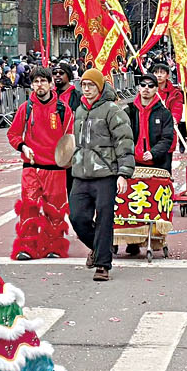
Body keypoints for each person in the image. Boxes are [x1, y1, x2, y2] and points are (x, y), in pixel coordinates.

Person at [67, 69, 134, 282]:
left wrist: (124, 173)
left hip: (106, 174)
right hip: (80, 174)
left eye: (91, 85)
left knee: (105, 219)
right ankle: (98, 247)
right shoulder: (78, 110)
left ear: (100, 87)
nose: (86, 89)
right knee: (77, 217)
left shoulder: (113, 110)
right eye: (84, 85)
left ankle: (103, 265)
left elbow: (124, 142)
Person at [6, 67, 73, 259]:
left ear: (51, 84)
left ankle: (54, 247)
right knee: (29, 207)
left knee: (55, 210)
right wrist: (23, 147)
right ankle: (27, 247)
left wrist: (67, 158)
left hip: (56, 168)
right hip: (31, 167)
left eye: (43, 81)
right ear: (32, 85)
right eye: (36, 82)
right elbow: (13, 134)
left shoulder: (63, 109)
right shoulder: (26, 108)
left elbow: (70, 137)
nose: (40, 85)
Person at [116, 63, 179, 258]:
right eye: (142, 85)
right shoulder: (128, 111)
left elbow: (167, 138)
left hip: (156, 165)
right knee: (127, 202)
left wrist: (154, 152)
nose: (146, 89)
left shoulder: (164, 113)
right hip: (132, 165)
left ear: (155, 89)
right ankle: (124, 239)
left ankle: (147, 240)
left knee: (150, 205)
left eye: (150, 86)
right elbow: (121, 136)